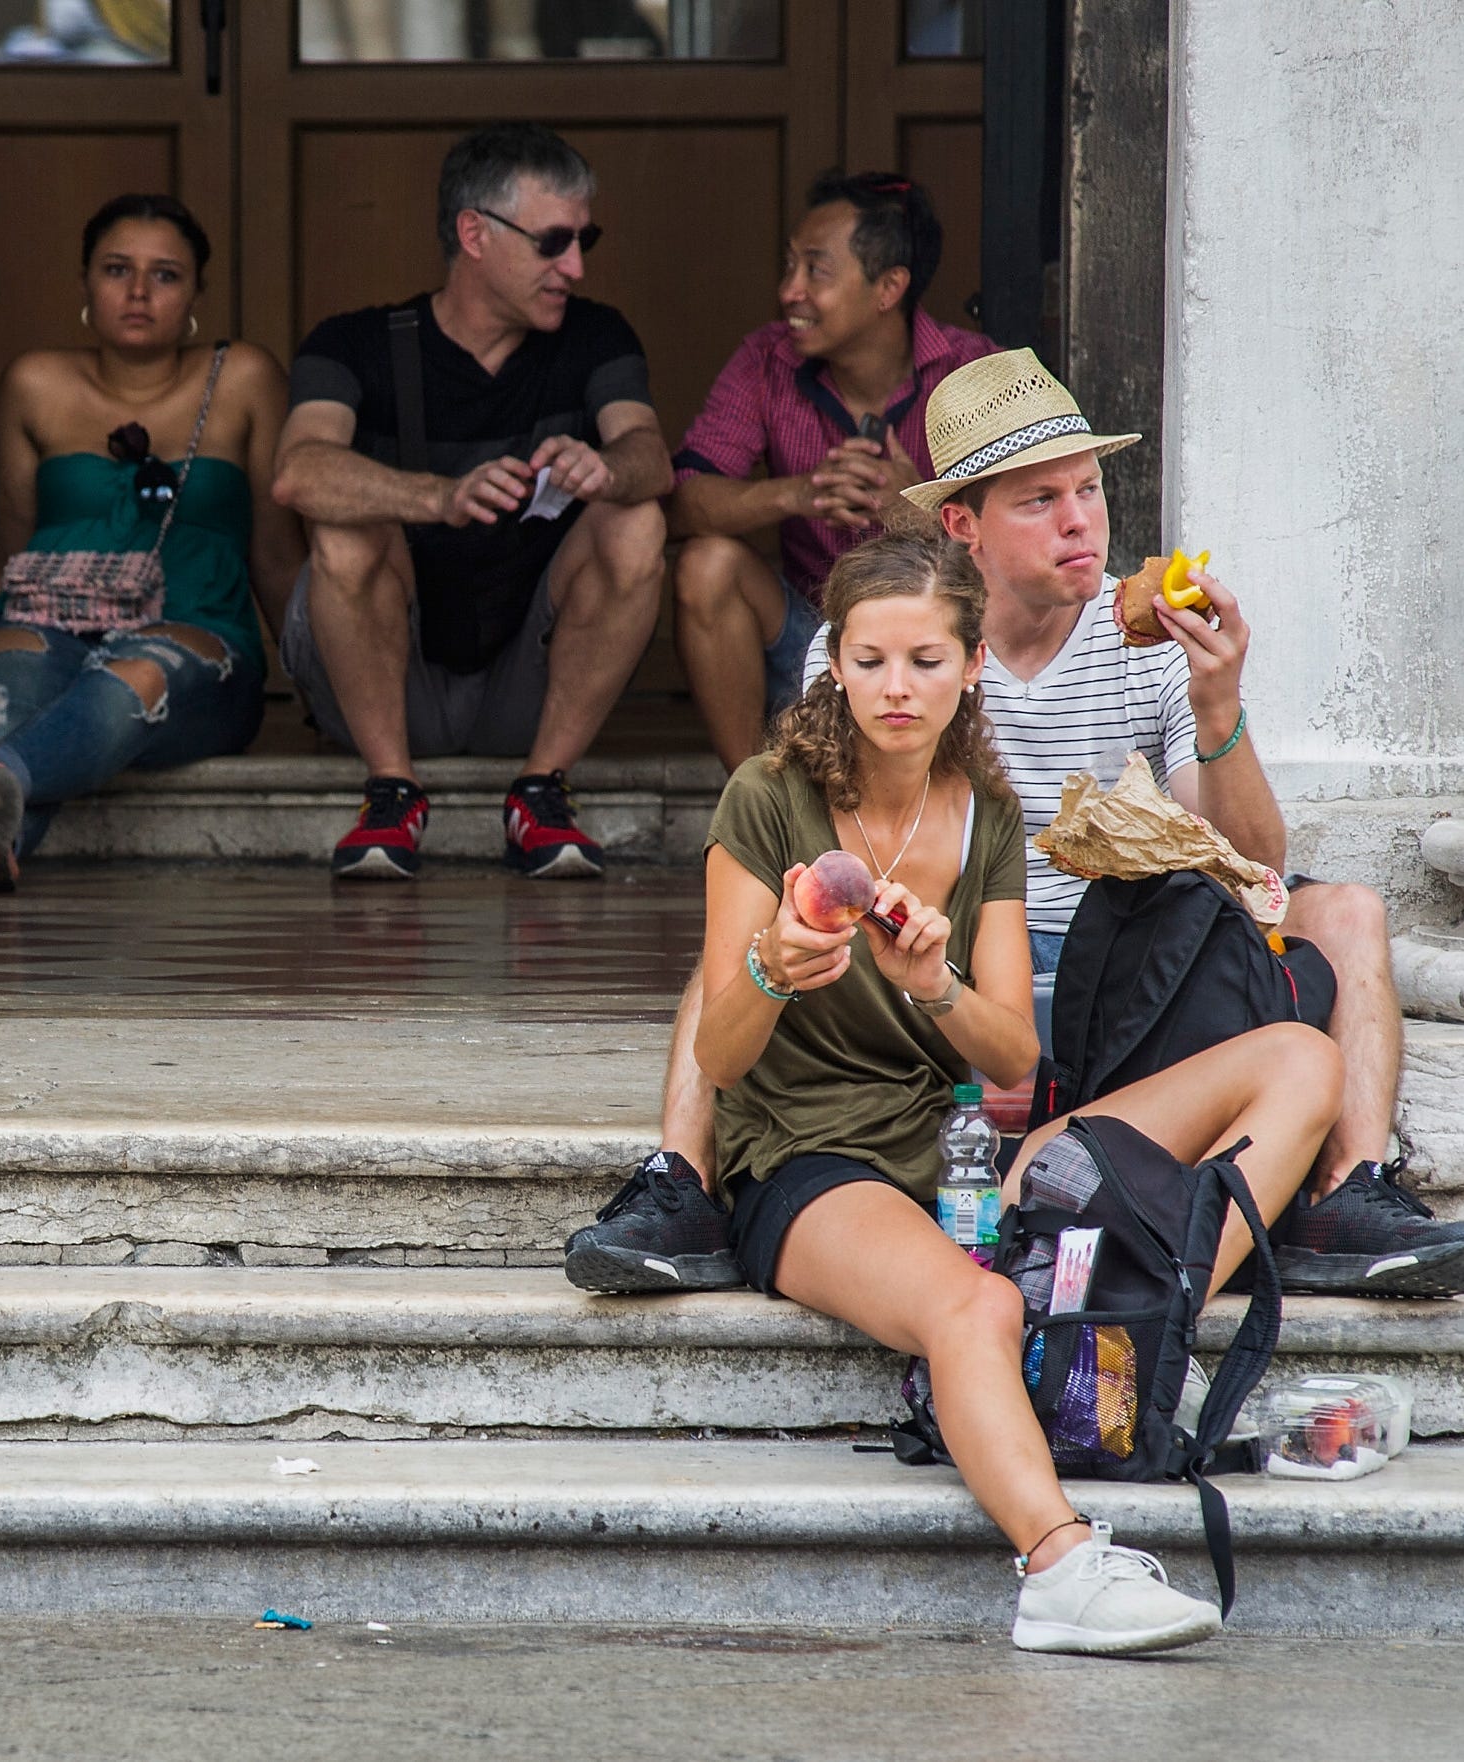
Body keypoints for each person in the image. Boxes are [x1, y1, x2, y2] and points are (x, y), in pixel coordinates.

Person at [566, 351, 1464, 1302]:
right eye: (1038, 501)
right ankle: (683, 1180)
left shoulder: (1150, 644)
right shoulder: (886, 646)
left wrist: (1216, 702)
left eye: (1086, 489)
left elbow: (1250, 866)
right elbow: (820, 826)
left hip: (1113, 969)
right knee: (748, 914)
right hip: (929, 952)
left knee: (1350, 913)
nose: (1079, 520)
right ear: (962, 526)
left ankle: (1349, 1190)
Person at [683, 528, 1342, 1655]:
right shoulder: (768, 796)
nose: (899, 689)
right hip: (808, 1162)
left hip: (962, 1156)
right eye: (874, 660)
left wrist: (929, 981)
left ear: (971, 664)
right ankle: (1060, 1564)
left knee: (1303, 1060)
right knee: (975, 1308)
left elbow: (1006, 1064)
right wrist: (771, 964)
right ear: (833, 663)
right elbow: (725, 1062)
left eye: (928, 661)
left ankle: (1127, 1310)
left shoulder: (980, 802)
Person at [273, 123, 671, 881]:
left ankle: (539, 789)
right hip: (377, 687)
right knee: (346, 522)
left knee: (635, 517)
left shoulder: (594, 337)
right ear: (474, 234)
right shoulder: (353, 342)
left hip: (526, 689)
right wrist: (437, 496)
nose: (575, 266)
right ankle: (391, 793)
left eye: (585, 239)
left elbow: (650, 459)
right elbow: (297, 473)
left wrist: (604, 468)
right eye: (554, 242)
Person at [0, 194, 303, 892]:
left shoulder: (243, 377)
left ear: (196, 293)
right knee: (1, 677)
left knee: (135, 674)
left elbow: (275, 552)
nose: (140, 291)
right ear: (86, 283)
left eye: (166, 274)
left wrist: (319, 689)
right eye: (117, 269)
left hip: (192, 635)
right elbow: (3, 554)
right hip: (45, 624)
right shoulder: (34, 383)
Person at [669, 171, 994, 770]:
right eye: (789, 266)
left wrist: (913, 511)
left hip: (935, 652)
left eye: (815, 271)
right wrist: (798, 493)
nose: (789, 290)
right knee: (706, 564)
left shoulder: (973, 371)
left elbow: (1022, 540)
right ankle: (757, 809)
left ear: (888, 287)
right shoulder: (766, 358)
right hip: (812, 641)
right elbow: (685, 502)